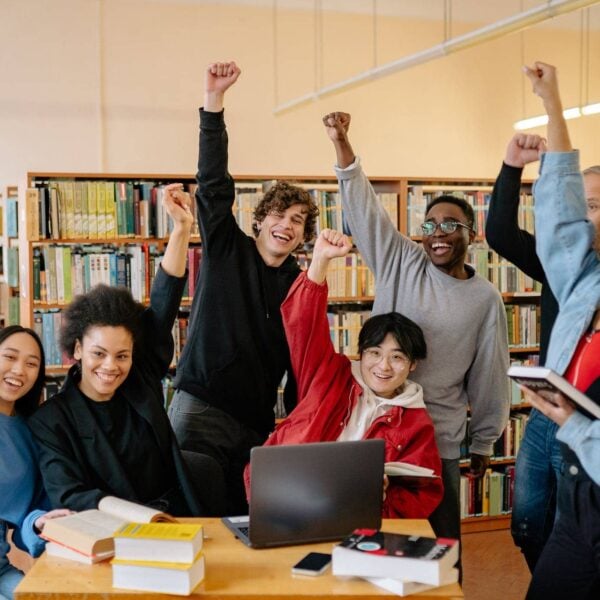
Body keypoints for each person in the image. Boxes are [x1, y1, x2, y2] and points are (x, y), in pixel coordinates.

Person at [323, 112, 510, 545]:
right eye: (429, 225)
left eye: (450, 225)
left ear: (471, 234)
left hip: (437, 437)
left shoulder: (485, 299)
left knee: (439, 546)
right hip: (378, 426)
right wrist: (342, 142)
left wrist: (483, 442)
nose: (437, 234)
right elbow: (364, 208)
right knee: (367, 537)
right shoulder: (401, 260)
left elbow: (489, 372)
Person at [168, 61, 319, 515]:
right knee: (187, 520)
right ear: (260, 220)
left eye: (297, 221)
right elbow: (213, 184)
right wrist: (213, 104)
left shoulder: (299, 285)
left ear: (303, 235)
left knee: (242, 523)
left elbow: (302, 362)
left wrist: (294, 427)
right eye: (279, 215)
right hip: (199, 410)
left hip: (255, 425)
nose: (286, 225)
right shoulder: (227, 248)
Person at [29, 184, 205, 517]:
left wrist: (181, 229)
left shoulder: (141, 379)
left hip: (177, 520)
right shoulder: (51, 420)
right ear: (77, 349)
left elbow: (164, 304)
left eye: (122, 355)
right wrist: (135, 513)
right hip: (107, 530)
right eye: (99, 353)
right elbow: (67, 493)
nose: (111, 366)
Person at [244, 228, 443, 518]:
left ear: (413, 365)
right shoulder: (329, 375)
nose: (383, 367)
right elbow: (304, 324)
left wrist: (382, 500)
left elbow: (422, 494)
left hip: (355, 517)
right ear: (361, 354)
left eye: (397, 357)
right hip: (287, 500)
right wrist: (321, 260)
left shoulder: (416, 421)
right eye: (375, 353)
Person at [486, 136, 600, 572]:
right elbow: (499, 233)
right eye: (576, 207)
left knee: (569, 525)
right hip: (542, 415)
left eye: (590, 206)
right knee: (528, 523)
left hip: (585, 420)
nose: (579, 219)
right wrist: (512, 166)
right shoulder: (559, 265)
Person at [520, 60, 600, 600]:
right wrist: (553, 104)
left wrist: (574, 424)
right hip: (579, 492)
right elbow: (562, 216)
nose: (591, 218)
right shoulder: (589, 281)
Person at [0, 325, 71, 600]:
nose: (19, 370)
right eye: (10, 357)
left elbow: (29, 516)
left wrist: (40, 521)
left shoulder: (31, 434)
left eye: (31, 364)